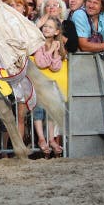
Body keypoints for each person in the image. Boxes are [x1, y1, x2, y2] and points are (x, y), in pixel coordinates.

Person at [32, 17, 65, 156]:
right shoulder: (38, 44)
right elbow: (40, 62)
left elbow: (56, 67)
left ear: (57, 31)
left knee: (51, 111)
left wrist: (56, 51)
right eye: (45, 26)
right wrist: (50, 49)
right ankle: (41, 138)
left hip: (50, 86)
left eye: (50, 27)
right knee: (39, 111)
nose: (46, 28)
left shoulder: (58, 46)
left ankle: (51, 138)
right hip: (37, 85)